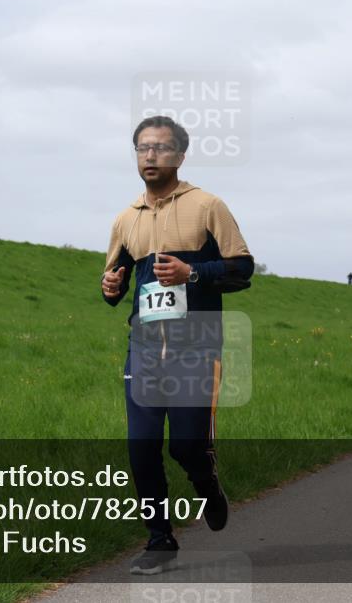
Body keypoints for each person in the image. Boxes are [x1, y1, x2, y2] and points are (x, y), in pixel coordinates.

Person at [101, 115, 254, 575]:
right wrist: (109, 288)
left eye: (161, 148)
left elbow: (243, 270)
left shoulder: (208, 206)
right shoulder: (125, 219)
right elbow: (116, 281)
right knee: (141, 448)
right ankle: (160, 539)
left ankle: (206, 483)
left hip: (196, 347)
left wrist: (195, 274)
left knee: (185, 446)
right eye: (143, 148)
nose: (151, 156)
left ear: (180, 156)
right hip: (144, 350)